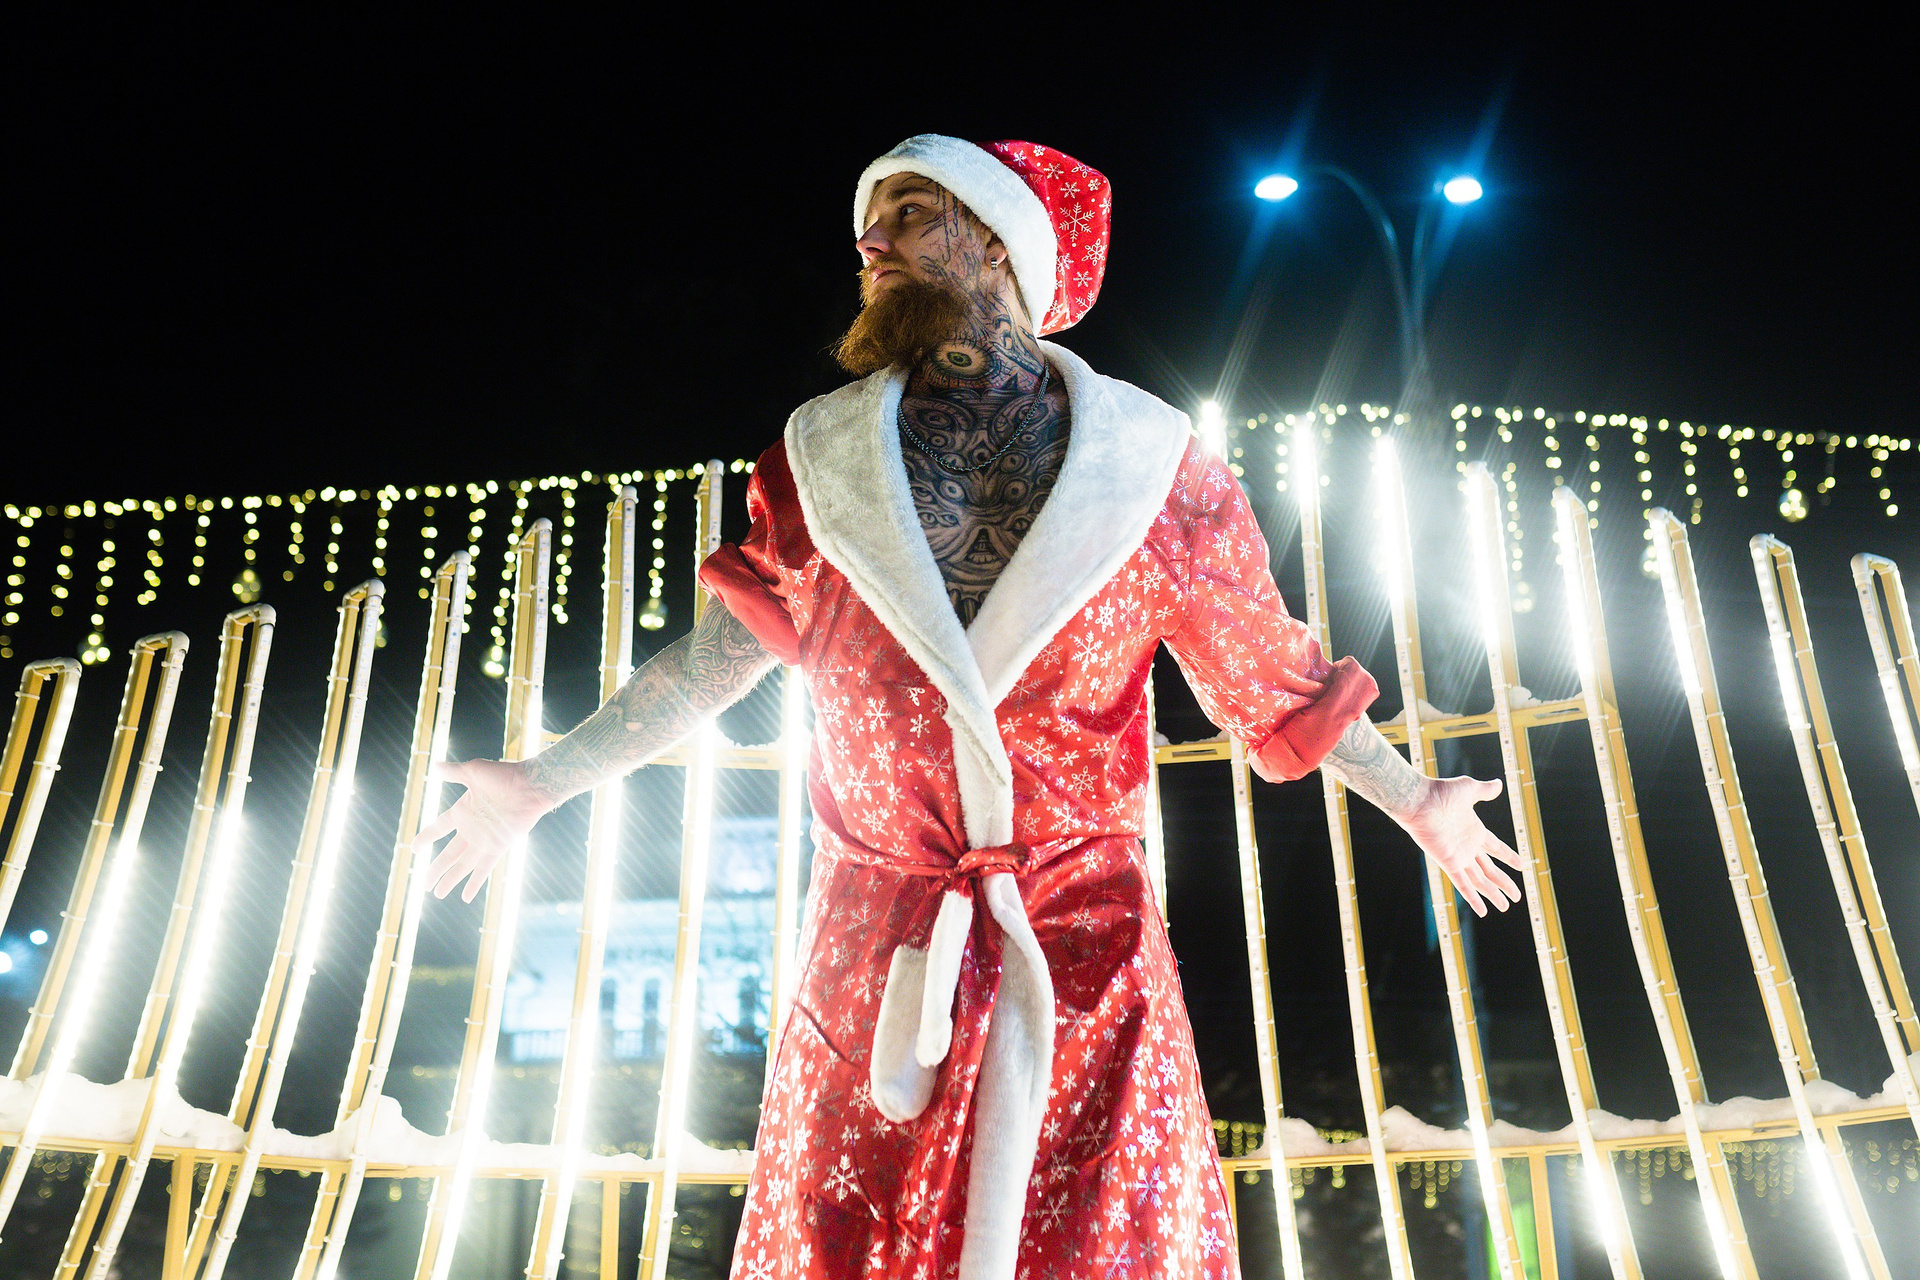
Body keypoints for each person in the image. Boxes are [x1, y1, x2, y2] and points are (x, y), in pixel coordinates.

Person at [415, 134, 1525, 1280]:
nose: (870, 240)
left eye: (907, 209)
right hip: (874, 956)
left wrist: (1416, 798)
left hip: (1087, 959)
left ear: (997, 242)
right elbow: (715, 661)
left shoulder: (1154, 470)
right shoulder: (819, 463)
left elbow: (1272, 683)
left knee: (1099, 1251)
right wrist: (542, 779)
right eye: (873, 218)